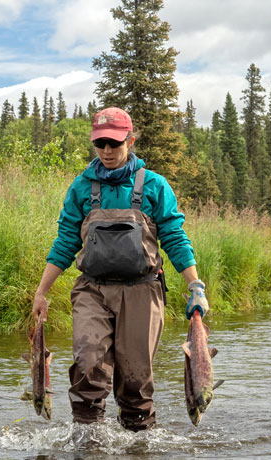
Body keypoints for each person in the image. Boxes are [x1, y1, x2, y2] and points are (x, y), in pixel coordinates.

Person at [31, 107, 209, 432]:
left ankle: (138, 446)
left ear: (131, 139)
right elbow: (65, 242)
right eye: (100, 144)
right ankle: (88, 444)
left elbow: (174, 237)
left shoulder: (154, 186)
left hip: (143, 290)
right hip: (92, 291)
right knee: (87, 367)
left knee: (135, 381)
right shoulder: (82, 188)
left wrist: (195, 285)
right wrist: (41, 292)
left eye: (114, 143)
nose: (107, 151)